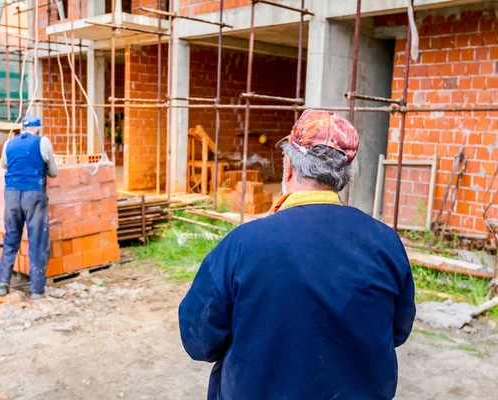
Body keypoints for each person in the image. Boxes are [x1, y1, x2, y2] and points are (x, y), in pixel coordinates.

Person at [178, 109, 416, 400]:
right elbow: (397, 331)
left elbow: (200, 341)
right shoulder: (386, 242)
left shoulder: (243, 244)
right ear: (346, 176)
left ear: (288, 166)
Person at [0, 116, 58, 299]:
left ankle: (2, 283)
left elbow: (4, 165)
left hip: (12, 194)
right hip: (33, 194)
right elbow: (53, 172)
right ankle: (36, 290)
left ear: (22, 129)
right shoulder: (43, 142)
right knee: (37, 240)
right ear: (37, 129)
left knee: (11, 237)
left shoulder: (9, 144)